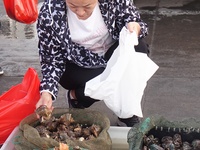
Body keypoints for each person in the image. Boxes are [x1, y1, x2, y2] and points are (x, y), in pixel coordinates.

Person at [35, 0, 149, 127]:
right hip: (77, 65)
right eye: (72, 6)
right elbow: (51, 59)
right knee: (109, 76)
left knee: (138, 50)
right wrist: (46, 93)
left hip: (112, 54)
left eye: (87, 6)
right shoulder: (49, 13)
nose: (80, 12)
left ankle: (126, 113)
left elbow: (135, 20)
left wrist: (135, 27)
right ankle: (77, 97)